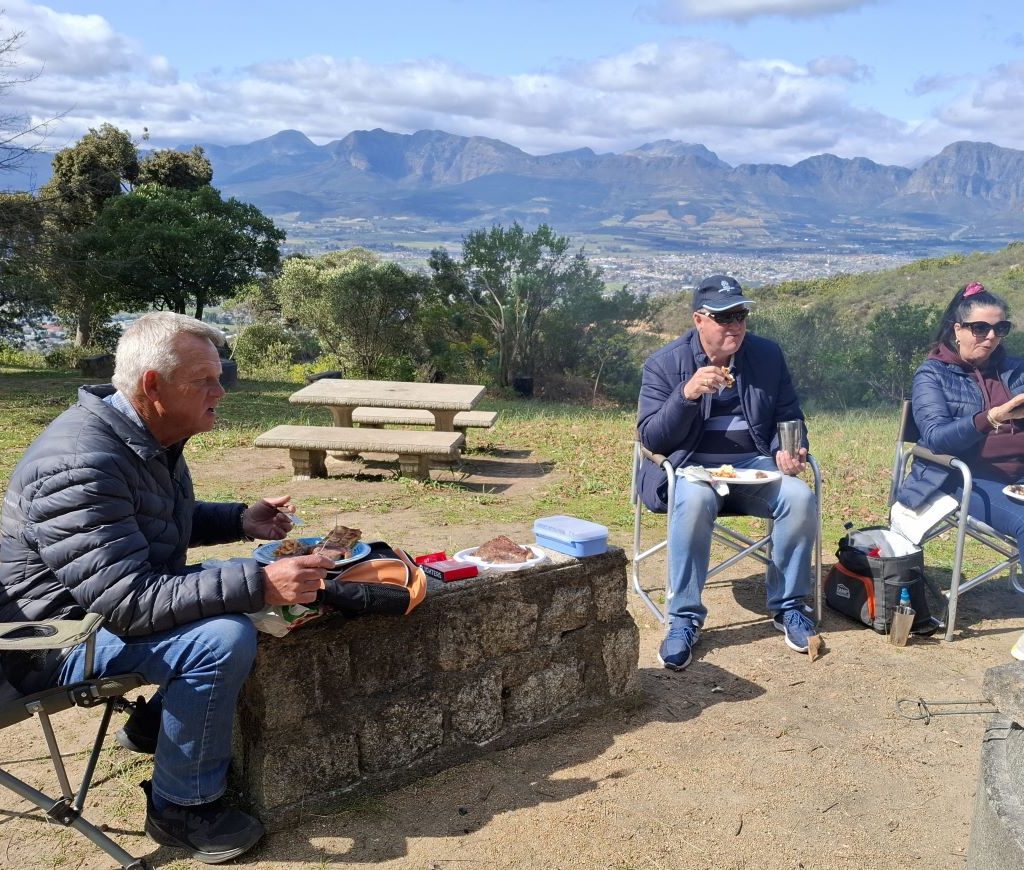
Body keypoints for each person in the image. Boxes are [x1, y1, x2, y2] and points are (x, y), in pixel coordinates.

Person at [0, 312, 336, 864]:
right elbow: (129, 602)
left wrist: (238, 521)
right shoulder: (81, 461)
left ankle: (155, 726)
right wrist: (258, 583)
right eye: (203, 379)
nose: (220, 391)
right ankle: (182, 808)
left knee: (242, 585)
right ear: (153, 385)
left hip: (101, 605)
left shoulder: (136, 435)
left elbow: (143, 524)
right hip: (53, 637)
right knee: (221, 636)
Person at [636, 275, 819, 670]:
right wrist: (686, 395)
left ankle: (789, 607)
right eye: (724, 317)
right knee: (695, 495)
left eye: (740, 315)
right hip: (691, 468)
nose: (734, 324)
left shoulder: (767, 356)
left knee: (800, 496)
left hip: (752, 467)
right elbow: (651, 438)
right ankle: (683, 618)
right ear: (699, 319)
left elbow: (789, 417)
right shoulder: (665, 364)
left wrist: (787, 451)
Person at [897, 282, 1024, 657]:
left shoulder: (1015, 369)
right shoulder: (933, 374)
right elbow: (935, 438)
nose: (990, 338)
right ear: (958, 328)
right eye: (980, 329)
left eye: (1000, 329)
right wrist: (989, 418)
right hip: (965, 476)